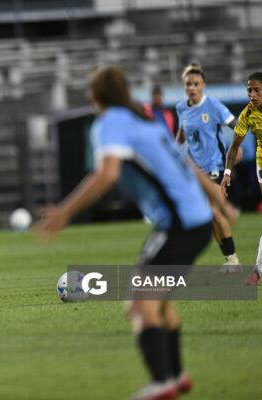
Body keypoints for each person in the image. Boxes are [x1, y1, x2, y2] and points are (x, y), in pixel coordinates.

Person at [35, 66, 235, 400]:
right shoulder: (143, 119)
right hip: (193, 220)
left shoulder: (109, 123)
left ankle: (162, 383)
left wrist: (64, 212)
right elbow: (183, 163)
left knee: (138, 305)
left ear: (93, 97)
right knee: (160, 306)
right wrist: (217, 199)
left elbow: (107, 173)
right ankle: (177, 375)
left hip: (180, 224)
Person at [175, 63, 241, 269]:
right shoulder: (181, 108)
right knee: (208, 215)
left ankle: (234, 261)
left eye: (196, 84)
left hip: (216, 166)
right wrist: (173, 150)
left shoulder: (214, 106)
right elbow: (182, 133)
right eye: (188, 84)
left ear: (203, 85)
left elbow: (238, 125)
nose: (192, 88)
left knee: (213, 212)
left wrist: (236, 147)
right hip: (194, 170)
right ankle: (230, 260)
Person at [221, 71, 262, 286]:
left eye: (256, 90)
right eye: (249, 91)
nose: (252, 95)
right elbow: (234, 147)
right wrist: (227, 173)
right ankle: (257, 270)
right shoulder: (247, 114)